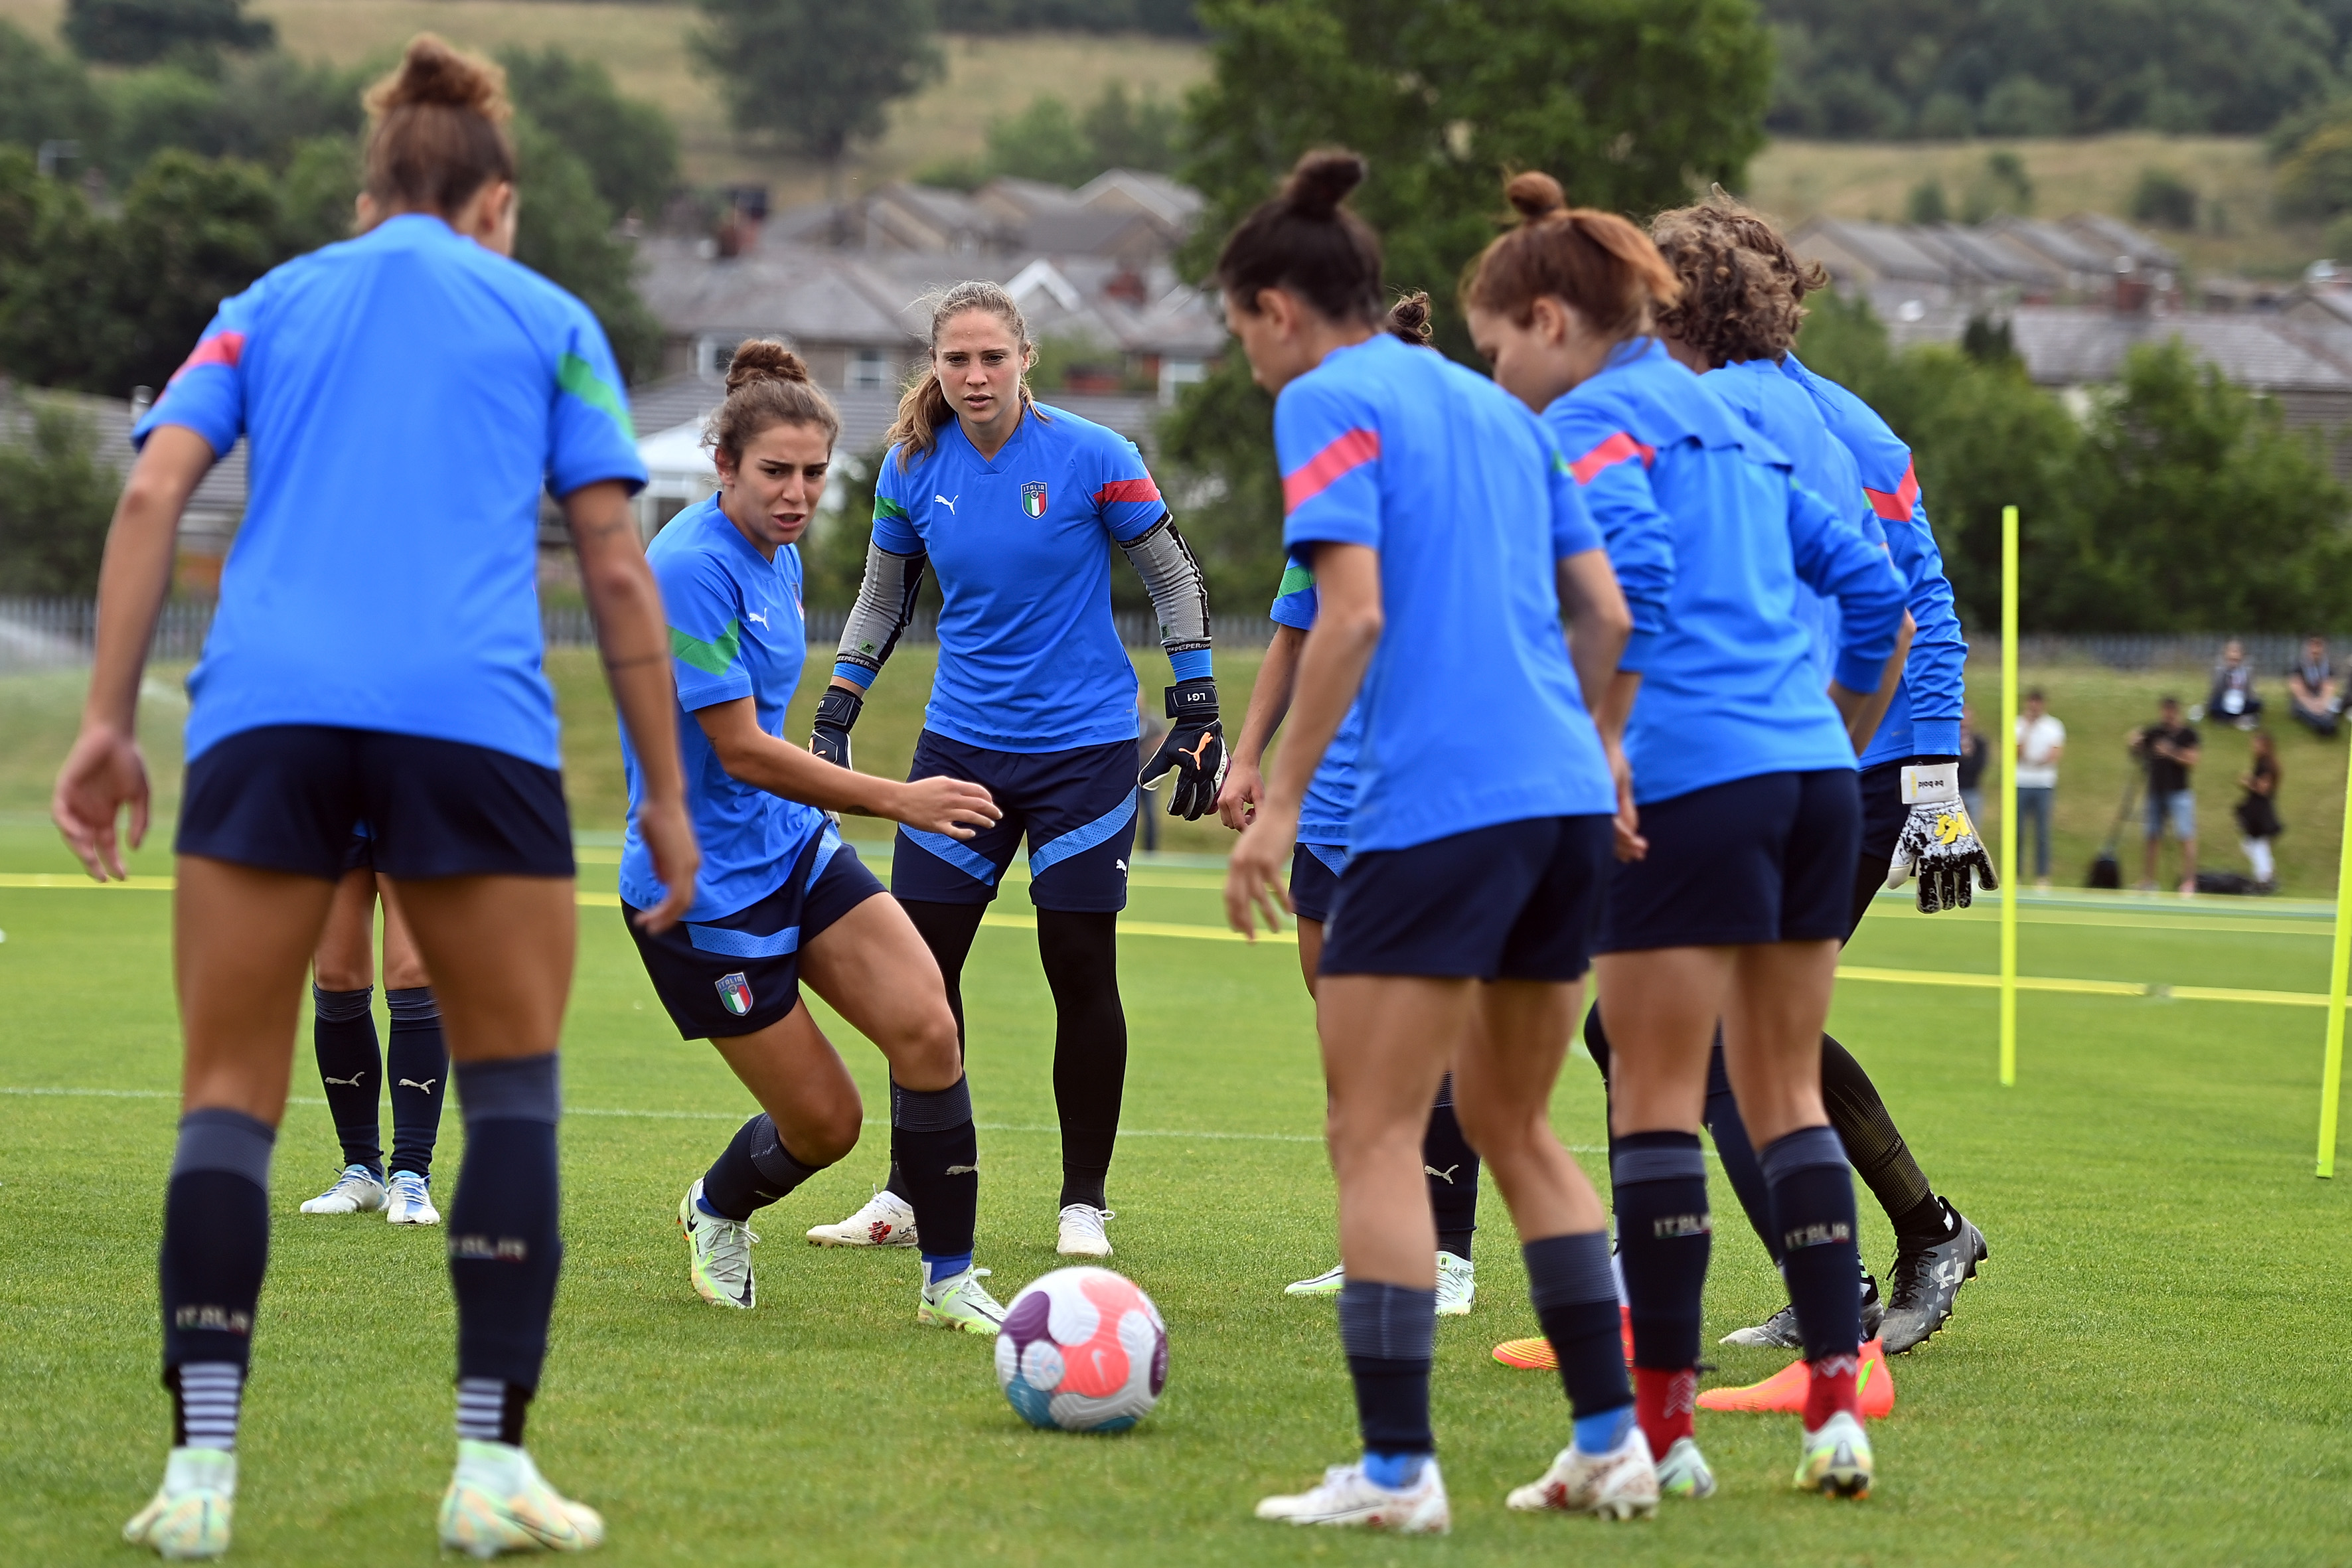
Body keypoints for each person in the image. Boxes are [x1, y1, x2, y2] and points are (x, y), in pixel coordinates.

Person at [52, 37, 700, 1559]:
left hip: (266, 714)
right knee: (515, 1087)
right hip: (471, 721)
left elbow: (152, 490)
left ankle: (200, 1480)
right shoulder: (549, 315)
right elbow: (614, 560)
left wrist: (104, 721)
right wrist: (666, 789)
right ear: (495, 199)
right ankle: (487, 1468)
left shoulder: (267, 303)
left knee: (225, 1094)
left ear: (372, 192)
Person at [1466, 171, 1907, 1501]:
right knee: (1780, 1094)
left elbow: (1635, 586)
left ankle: (1655, 1439)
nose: (1494, 368)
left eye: (1497, 340)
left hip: (1687, 782)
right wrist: (1824, 732)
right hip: (1805, 784)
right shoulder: (1733, 421)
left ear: (1552, 319)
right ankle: (1838, 1414)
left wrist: (1601, 746)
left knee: (1652, 1100)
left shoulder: (1591, 427)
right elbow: (1875, 590)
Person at [1221, 150, 1640, 1532]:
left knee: (1376, 1129)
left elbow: (1345, 615)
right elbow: (1607, 618)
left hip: (1437, 815)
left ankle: (1396, 1471)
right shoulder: (1497, 411)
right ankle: (1607, 1442)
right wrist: (1566, 745)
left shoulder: (1327, 397)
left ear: (1276, 308)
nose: (1246, 356)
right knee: (1517, 1123)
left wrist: (1274, 807)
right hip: (1562, 805)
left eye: (1237, 328)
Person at [1544, 193, 1984, 1365]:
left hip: (1802, 758)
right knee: (1702, 1036)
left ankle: (1831, 1292)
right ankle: (1889, 1249)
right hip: (1809, 756)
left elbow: (1912, 603)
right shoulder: (1799, 416)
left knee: (1717, 1040)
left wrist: (1922, 772)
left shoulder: (1772, 419)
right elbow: (1899, 599)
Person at [805, 279, 1224, 1261]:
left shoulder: (1094, 454)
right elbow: (879, 600)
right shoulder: (911, 466)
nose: (974, 374)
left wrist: (1197, 698)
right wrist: (836, 709)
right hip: (959, 750)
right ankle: (907, 1194)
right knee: (917, 976)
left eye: (992, 356)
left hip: (1082, 752)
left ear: (1025, 358)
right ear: (935, 368)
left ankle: (1083, 1203)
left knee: (1077, 967)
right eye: (956, 359)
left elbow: (1171, 572)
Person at [618, 343, 1008, 1332]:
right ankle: (715, 1208)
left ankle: (949, 1281)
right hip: (700, 892)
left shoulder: (779, 551)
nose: (795, 495)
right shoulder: (687, 569)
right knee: (826, 1124)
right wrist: (897, 796)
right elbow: (739, 749)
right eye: (773, 474)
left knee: (928, 1026)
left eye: (811, 474)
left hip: (789, 845)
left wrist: (828, 802)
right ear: (724, 469)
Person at [1218, 337, 1484, 1315]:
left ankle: (1446, 1255)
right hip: (1329, 798)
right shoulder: (1327, 495)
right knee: (1345, 1034)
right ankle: (1377, 1240)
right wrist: (1249, 757)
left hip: (1427, 793)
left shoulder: (1465, 493)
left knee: (1433, 1031)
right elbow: (1295, 635)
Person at [297, 832, 447, 1225]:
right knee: (334, 976)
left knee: (413, 973)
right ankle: (361, 1170)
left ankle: (412, 1173)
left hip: (412, 789)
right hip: (334, 791)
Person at [2131, 696, 2201, 894]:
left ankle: (2189, 881)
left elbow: (2193, 760)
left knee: (2185, 835)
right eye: (2165, 711)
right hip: (2156, 790)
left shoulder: (2188, 734)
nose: (2167, 715)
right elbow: (2138, 750)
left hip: (2179, 792)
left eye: (2171, 711)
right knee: (2152, 836)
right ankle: (2149, 880)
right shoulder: (2154, 732)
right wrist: (2134, 742)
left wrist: (2170, 752)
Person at [2015, 687, 2065, 890]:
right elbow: (2016, 752)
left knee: (2042, 833)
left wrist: (2037, 761)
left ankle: (2042, 876)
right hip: (2020, 782)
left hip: (2044, 784)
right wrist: (2027, 729)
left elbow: (2054, 754)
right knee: (2017, 831)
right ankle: (2016, 874)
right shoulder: (2018, 725)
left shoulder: (2054, 726)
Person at [2235, 729, 2282, 893]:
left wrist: (2248, 782)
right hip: (2259, 809)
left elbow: (2263, 788)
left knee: (2257, 844)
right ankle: (2265, 875)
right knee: (2255, 845)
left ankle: (2265, 878)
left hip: (2260, 812)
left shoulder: (2266, 765)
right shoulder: (2264, 763)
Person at [2288, 635, 2340, 738]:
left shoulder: (2327, 666)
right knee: (2307, 713)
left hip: (2320, 700)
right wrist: (2311, 704)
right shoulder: (2299, 666)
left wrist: (2322, 702)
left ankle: (2328, 725)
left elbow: (2329, 686)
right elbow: (2297, 688)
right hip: (2304, 700)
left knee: (2331, 710)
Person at [2209, 639, 2262, 730]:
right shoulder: (2220, 670)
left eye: (2237, 652)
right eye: (2232, 651)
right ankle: (2231, 719)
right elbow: (2216, 689)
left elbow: (2250, 690)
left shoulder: (2247, 671)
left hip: (2241, 698)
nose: (2234, 655)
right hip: (2225, 698)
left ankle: (2239, 718)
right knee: (2215, 706)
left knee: (2256, 704)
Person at [1956, 704, 1989, 823]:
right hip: (1954, 792)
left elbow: (1980, 765)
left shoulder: (1979, 742)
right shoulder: (1951, 742)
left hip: (1973, 791)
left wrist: (1967, 757)